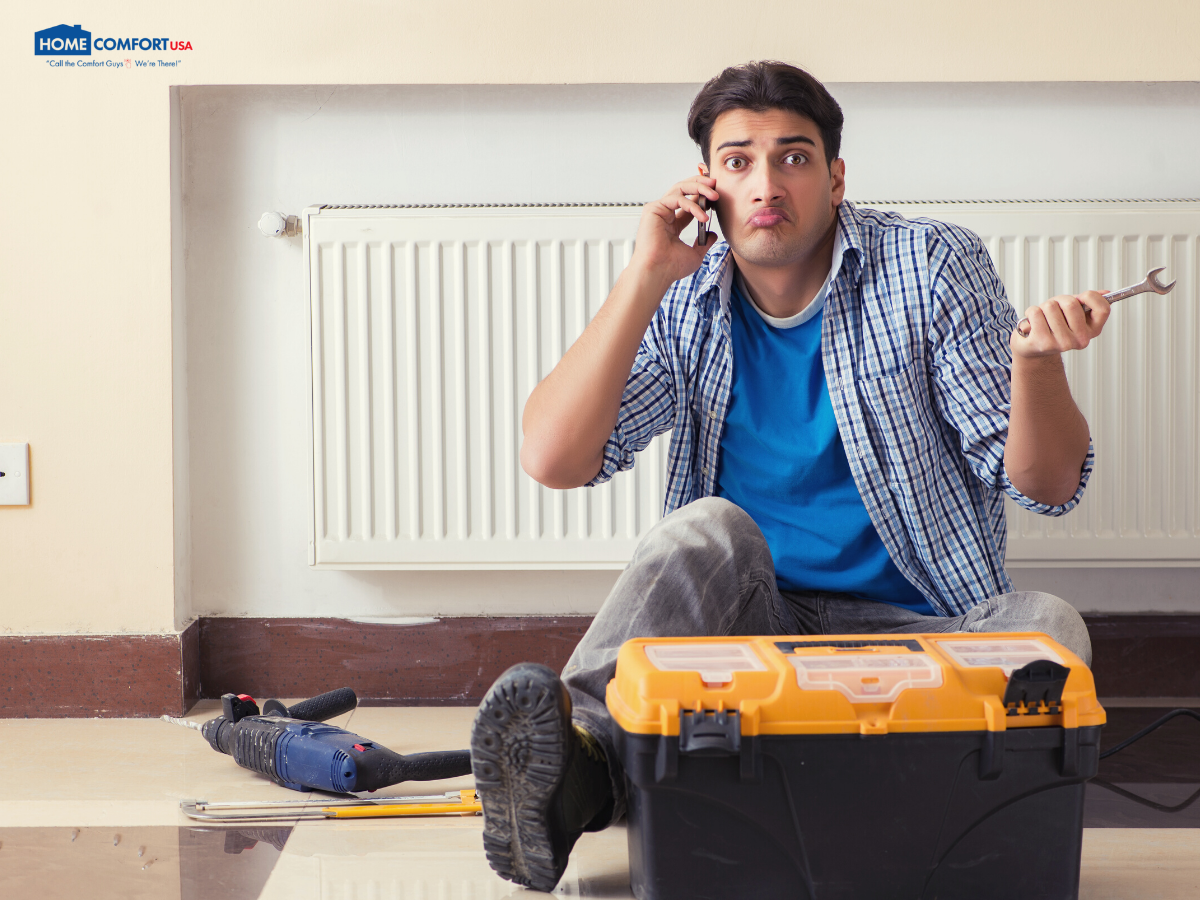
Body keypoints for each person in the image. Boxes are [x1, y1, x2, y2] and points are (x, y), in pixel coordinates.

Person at [469, 61, 1108, 892]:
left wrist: (1037, 365)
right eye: (738, 161)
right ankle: (579, 768)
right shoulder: (685, 293)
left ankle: (970, 817)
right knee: (706, 530)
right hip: (749, 637)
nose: (767, 183)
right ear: (707, 185)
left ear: (837, 178)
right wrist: (645, 275)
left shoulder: (930, 265)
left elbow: (1048, 484)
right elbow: (553, 459)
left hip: (925, 634)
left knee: (1049, 625)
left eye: (794, 157)